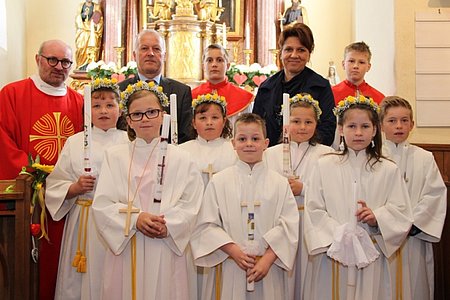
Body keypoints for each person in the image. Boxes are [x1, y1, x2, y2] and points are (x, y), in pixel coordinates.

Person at [91, 81, 203, 299]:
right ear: (129, 121)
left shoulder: (183, 157)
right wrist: (136, 219)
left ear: (163, 115)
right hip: (127, 245)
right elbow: (103, 204)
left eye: (151, 112)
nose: (145, 119)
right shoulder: (115, 156)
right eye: (137, 114)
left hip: (166, 244)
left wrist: (167, 225)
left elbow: (192, 203)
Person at [303, 95, 413, 299]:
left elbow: (401, 210)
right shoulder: (324, 165)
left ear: (375, 130)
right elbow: (313, 208)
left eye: (365, 126)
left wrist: (377, 217)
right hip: (332, 252)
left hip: (370, 252)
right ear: (340, 129)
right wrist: (339, 233)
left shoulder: (387, 169)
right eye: (352, 126)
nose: (358, 132)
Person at [0, 39, 84, 300]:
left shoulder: (80, 102)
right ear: (38, 59)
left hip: (71, 200)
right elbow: (4, 141)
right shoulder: (12, 94)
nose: (59, 67)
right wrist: (35, 178)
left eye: (66, 62)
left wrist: (67, 185)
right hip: (31, 199)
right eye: (53, 60)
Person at [190, 113, 299, 300]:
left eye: (255, 139)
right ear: (233, 144)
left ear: (266, 144)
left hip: (267, 269)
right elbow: (206, 224)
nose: (249, 144)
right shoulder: (219, 181)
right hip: (230, 264)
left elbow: (288, 225)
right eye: (242, 139)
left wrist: (267, 259)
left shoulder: (279, 183)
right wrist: (233, 250)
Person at [45, 78, 128, 300]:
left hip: (118, 221)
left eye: (110, 105)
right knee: (81, 278)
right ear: (86, 110)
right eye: (96, 105)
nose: (103, 110)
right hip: (84, 217)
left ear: (120, 111)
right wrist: (74, 187)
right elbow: (55, 183)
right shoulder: (75, 142)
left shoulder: (129, 141)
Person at [264, 93, 332, 300]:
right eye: (296, 121)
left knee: (309, 276)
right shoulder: (270, 154)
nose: (302, 127)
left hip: (311, 223)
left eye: (308, 122)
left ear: (316, 124)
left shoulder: (327, 154)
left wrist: (303, 189)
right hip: (280, 224)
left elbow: (333, 192)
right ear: (285, 123)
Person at [380, 96, 447, 300]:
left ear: (412, 125)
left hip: (413, 237)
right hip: (381, 237)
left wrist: (410, 225)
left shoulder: (424, 158)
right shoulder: (374, 157)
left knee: (415, 287)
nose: (399, 126)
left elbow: (434, 195)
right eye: (392, 121)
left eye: (404, 120)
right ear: (381, 125)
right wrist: (388, 224)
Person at [178, 93, 237, 298]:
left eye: (215, 117)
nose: (209, 122)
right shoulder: (182, 151)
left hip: (223, 220)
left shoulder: (234, 149)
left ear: (224, 121)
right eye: (202, 118)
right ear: (193, 122)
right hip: (191, 221)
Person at [252, 23, 336, 147]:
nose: (294, 55)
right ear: (281, 53)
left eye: (301, 50)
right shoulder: (266, 87)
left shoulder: (320, 87)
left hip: (308, 157)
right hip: (271, 156)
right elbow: (256, 126)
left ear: (309, 54)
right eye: (289, 49)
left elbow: (328, 129)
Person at [118, 29, 193, 143]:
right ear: (134, 55)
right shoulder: (120, 91)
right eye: (144, 48)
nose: (150, 53)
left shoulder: (181, 92)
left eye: (156, 49)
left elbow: (186, 135)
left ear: (164, 56)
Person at [192, 44, 254, 126]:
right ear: (203, 66)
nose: (214, 64)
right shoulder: (191, 96)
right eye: (209, 60)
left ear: (227, 66)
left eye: (219, 60)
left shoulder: (244, 98)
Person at [75, 0, 103, 70]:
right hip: (83, 31)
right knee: (81, 48)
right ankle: (81, 66)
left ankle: (91, 66)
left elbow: (100, 19)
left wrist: (95, 24)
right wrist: (83, 15)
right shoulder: (81, 6)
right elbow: (78, 18)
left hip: (92, 32)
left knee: (92, 49)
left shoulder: (97, 6)